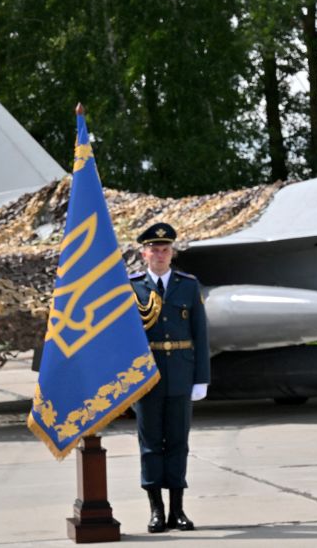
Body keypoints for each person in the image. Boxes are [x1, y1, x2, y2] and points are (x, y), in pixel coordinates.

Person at [129, 222, 211, 533]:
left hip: (180, 373)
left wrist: (201, 378)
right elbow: (124, 338)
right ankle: (156, 511)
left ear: (171, 252)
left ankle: (177, 510)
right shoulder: (132, 286)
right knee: (150, 444)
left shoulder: (188, 285)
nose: (160, 254)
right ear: (144, 253)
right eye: (154, 249)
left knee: (178, 442)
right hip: (146, 376)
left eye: (165, 249)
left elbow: (200, 334)